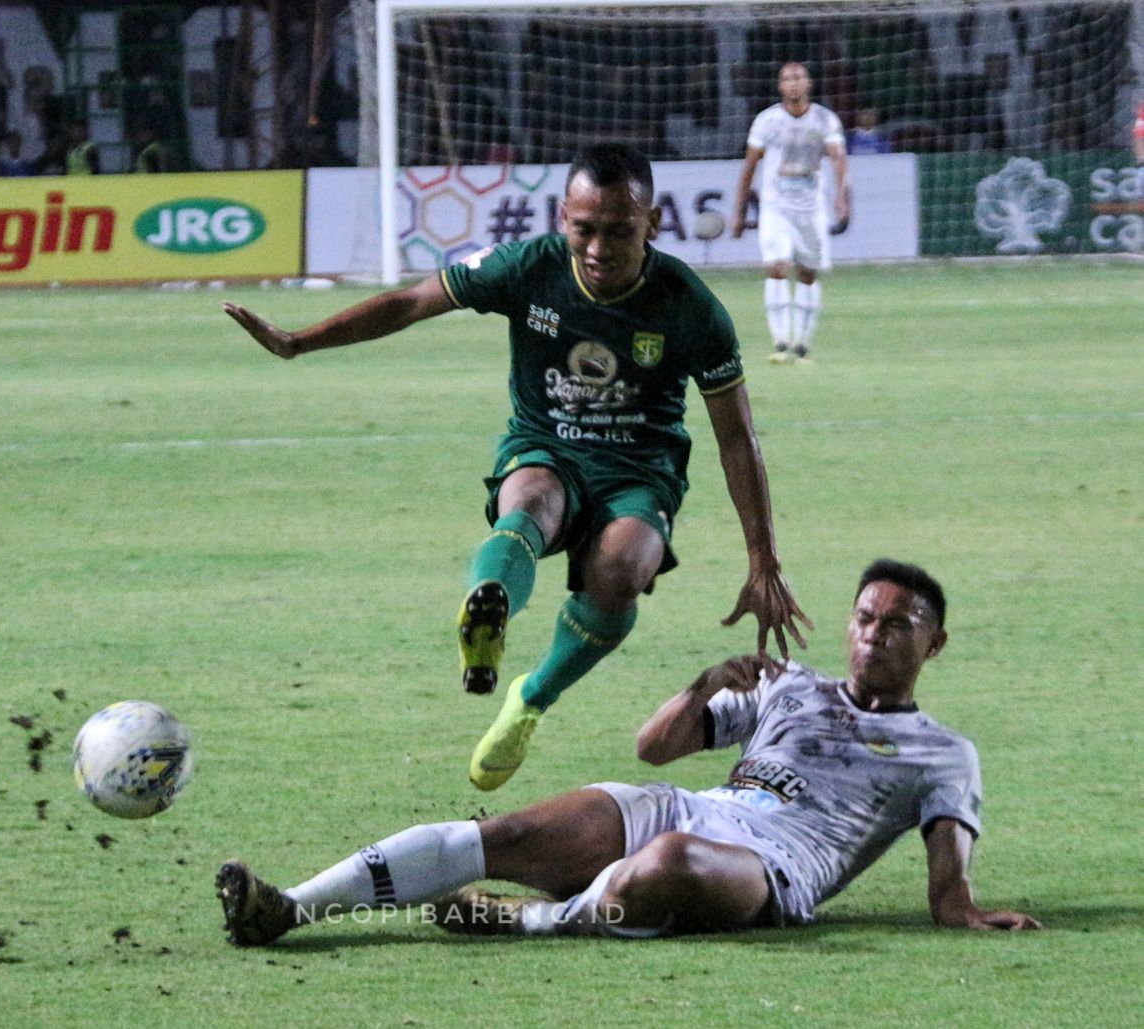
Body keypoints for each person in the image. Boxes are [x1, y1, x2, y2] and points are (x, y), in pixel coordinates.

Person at [223, 142, 810, 792]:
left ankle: (530, 698)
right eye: (585, 229)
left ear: (652, 223)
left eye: (620, 230)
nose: (599, 246)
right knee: (528, 500)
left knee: (621, 569)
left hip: (639, 471)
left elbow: (737, 437)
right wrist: (298, 342)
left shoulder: (689, 305)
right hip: (547, 448)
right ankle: (491, 607)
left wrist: (764, 559)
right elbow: (411, 302)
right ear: (564, 218)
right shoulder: (527, 267)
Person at [215, 559, 1041, 945]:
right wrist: (704, 682)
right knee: (503, 836)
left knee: (673, 860)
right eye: (866, 616)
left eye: (898, 624)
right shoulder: (791, 685)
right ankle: (292, 906)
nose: (873, 635)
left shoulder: (942, 754)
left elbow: (948, 890)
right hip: (695, 807)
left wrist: (971, 912)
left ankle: (534, 921)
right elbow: (655, 749)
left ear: (934, 645)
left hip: (778, 868)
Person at [732, 62, 849, 365]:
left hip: (811, 207)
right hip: (776, 206)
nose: (793, 83)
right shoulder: (767, 121)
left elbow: (838, 158)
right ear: (780, 86)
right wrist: (739, 209)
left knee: (807, 274)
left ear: (809, 83)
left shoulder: (825, 119)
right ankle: (782, 342)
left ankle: (803, 344)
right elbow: (750, 166)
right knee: (777, 266)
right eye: (787, 79)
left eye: (798, 78)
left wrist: (842, 198)